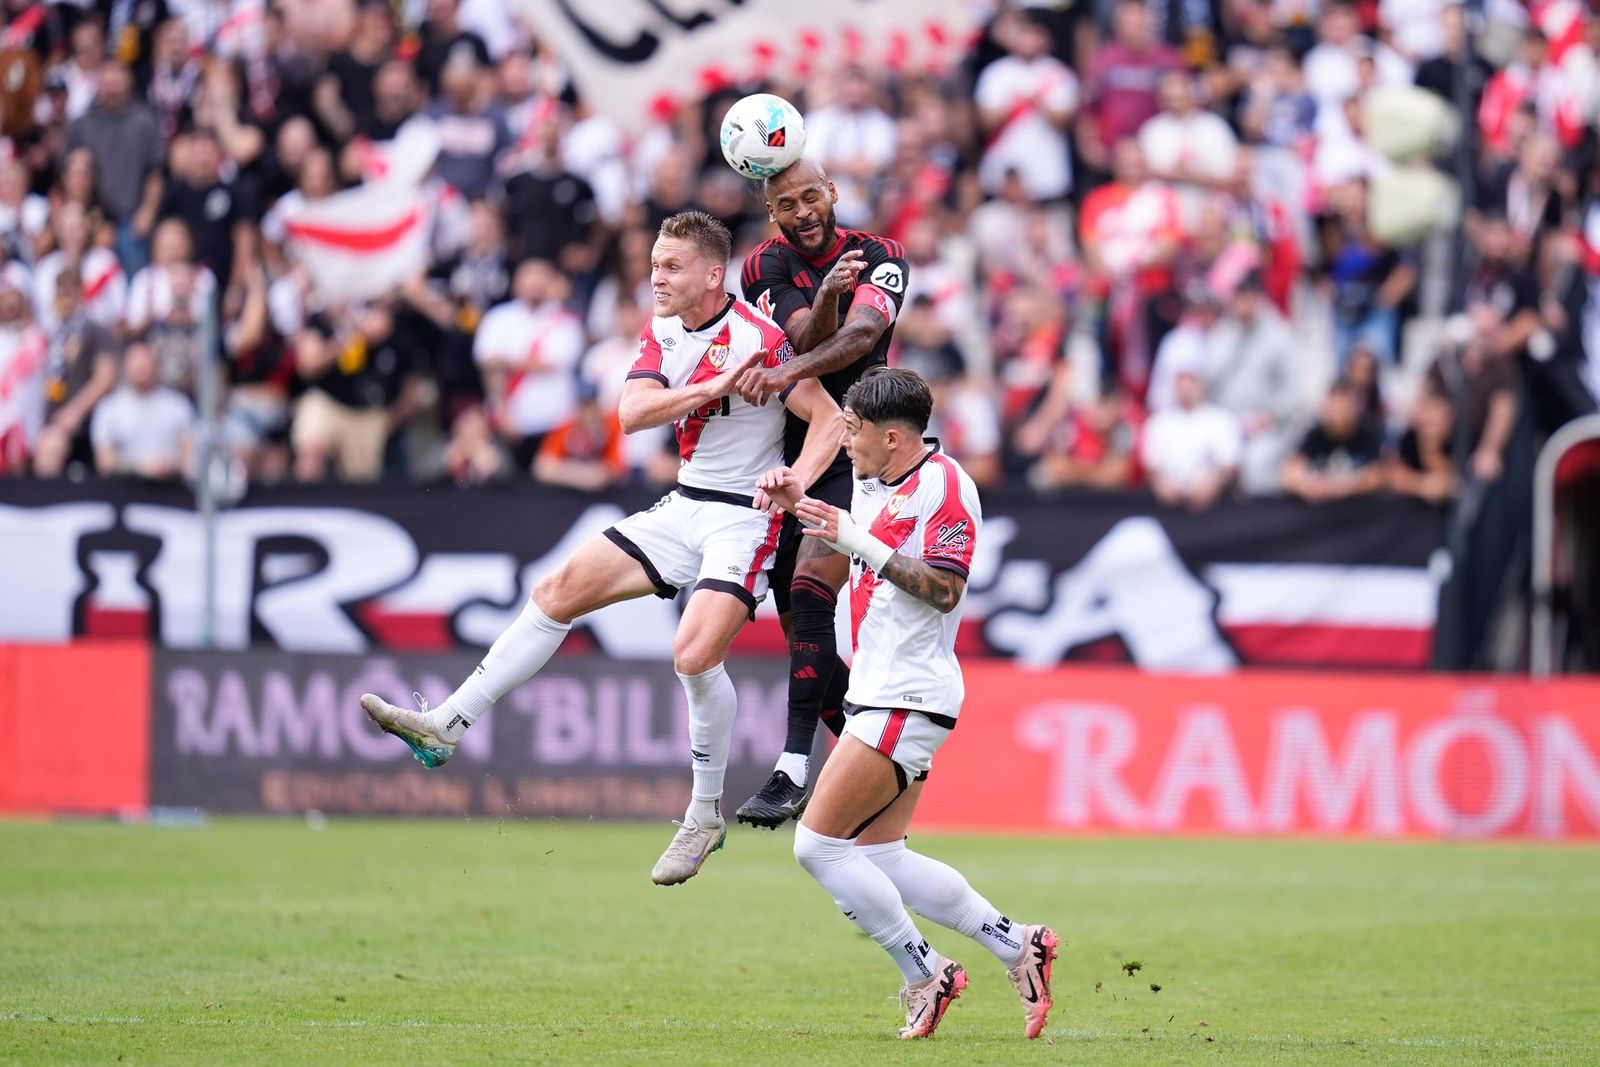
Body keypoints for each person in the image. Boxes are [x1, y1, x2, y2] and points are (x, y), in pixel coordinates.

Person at [362, 211, 843, 885]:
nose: (656, 277)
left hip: (744, 518)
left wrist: (795, 478)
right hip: (684, 504)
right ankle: (447, 724)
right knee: (555, 592)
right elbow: (632, 411)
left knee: (694, 652)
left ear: (713, 273)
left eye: (672, 266)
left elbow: (829, 418)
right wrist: (711, 385)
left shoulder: (762, 339)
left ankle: (704, 814)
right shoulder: (664, 330)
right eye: (653, 264)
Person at [757, 367, 1058, 1041]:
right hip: (881, 690)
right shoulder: (878, 479)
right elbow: (854, 530)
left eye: (853, 431)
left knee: (817, 845)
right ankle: (1019, 945)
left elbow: (945, 590)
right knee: (881, 851)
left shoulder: (947, 488)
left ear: (893, 436)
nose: (845, 442)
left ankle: (926, 972)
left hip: (908, 692)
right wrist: (799, 499)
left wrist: (852, 535)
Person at [729, 157, 911, 829]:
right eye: (788, 204)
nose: (804, 211)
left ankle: (791, 768)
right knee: (802, 626)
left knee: (811, 593)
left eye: (812, 196)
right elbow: (806, 333)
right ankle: (867, 767)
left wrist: (784, 373)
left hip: (862, 444)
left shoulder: (882, 253)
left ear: (832, 193)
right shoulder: (761, 267)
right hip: (797, 442)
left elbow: (864, 338)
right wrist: (826, 301)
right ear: (771, 213)